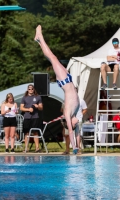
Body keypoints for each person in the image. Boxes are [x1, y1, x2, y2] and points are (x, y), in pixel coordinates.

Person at [34, 25, 80, 154]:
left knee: (53, 58)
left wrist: (74, 147)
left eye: (75, 124)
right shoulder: (75, 113)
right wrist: (77, 143)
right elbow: (76, 132)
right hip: (68, 79)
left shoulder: (68, 113)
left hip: (64, 81)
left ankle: (40, 37)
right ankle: (39, 40)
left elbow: (71, 131)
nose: (78, 122)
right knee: (52, 58)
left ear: (71, 122)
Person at [20, 84, 43, 153]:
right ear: (27, 90)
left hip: (35, 117)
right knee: (26, 132)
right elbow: (21, 108)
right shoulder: (24, 98)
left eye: (32, 89)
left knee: (35, 132)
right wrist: (28, 110)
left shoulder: (38, 97)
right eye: (29, 89)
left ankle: (37, 148)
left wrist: (37, 106)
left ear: (34, 89)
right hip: (27, 117)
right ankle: (27, 148)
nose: (31, 90)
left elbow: (41, 108)